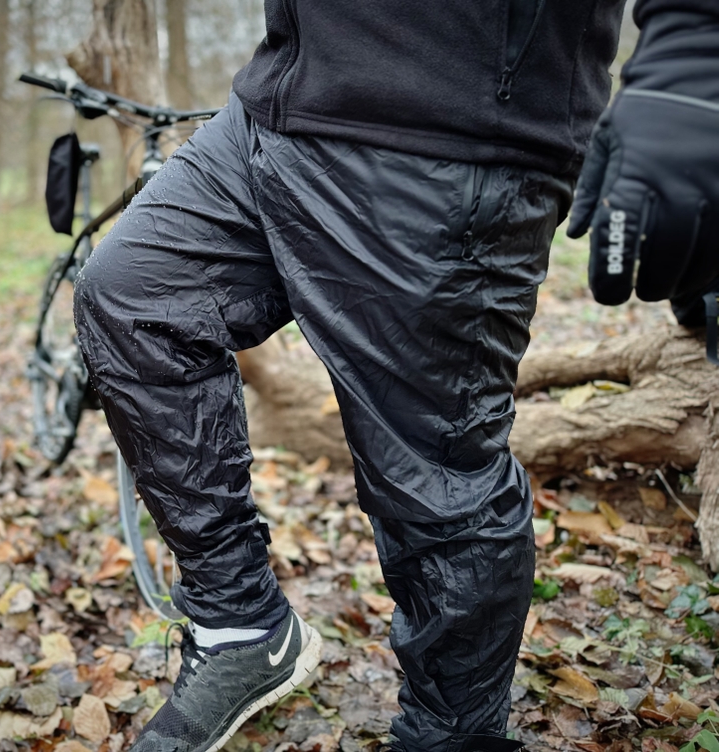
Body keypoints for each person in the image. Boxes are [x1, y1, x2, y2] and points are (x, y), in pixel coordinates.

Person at [72, 0, 719, 749]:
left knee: (433, 482)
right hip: (278, 104)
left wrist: (692, 49)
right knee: (134, 298)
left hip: (451, 134)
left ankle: (452, 736)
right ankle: (239, 623)